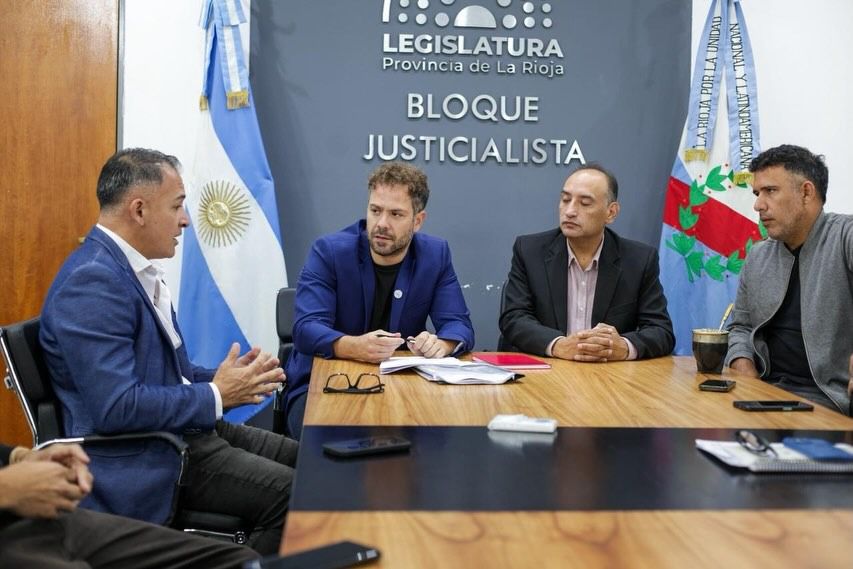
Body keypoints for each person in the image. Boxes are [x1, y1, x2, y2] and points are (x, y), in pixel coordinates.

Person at [39, 148, 298, 554]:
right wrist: (216, 394)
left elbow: (167, 374)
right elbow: (116, 407)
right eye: (177, 206)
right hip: (148, 456)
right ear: (139, 210)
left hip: (185, 433)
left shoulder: (131, 270)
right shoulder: (92, 283)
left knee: (314, 463)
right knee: (297, 496)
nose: (186, 220)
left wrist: (229, 380)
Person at [284, 162, 475, 437]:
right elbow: (305, 329)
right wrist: (354, 347)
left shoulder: (435, 255)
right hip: (323, 385)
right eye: (375, 210)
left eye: (396, 214)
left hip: (402, 388)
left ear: (418, 220)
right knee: (335, 445)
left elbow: (459, 325)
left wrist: (441, 345)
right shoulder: (329, 252)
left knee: (441, 439)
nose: (382, 223)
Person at [499, 164, 674, 361]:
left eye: (585, 203)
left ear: (611, 212)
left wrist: (623, 347)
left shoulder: (639, 260)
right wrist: (558, 345)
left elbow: (661, 331)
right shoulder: (529, 251)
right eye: (566, 200)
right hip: (548, 370)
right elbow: (514, 318)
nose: (570, 211)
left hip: (608, 373)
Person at [725, 144, 853, 414]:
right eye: (757, 193)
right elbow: (741, 327)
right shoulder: (758, 255)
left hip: (829, 400)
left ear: (806, 192)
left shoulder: (846, 238)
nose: (758, 205)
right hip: (763, 392)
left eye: (770, 191)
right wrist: (742, 364)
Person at [0, 441, 257, 568]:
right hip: (11, 526)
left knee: (239, 561)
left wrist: (20, 457)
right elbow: (116, 407)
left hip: (35, 516)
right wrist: (8, 487)